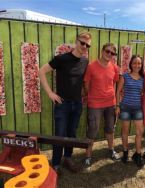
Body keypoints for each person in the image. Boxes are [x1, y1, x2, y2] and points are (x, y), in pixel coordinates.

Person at [39, 31, 92, 174]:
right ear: (76, 41)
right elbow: (41, 71)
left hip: (77, 103)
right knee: (60, 134)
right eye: (82, 43)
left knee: (72, 133)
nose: (84, 46)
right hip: (62, 104)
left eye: (87, 45)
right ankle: (55, 164)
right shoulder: (61, 59)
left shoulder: (85, 61)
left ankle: (68, 158)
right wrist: (50, 93)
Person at [83, 43, 120, 168]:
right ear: (102, 51)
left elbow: (113, 83)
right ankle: (88, 155)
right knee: (93, 129)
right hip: (95, 104)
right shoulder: (91, 66)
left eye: (112, 53)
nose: (109, 54)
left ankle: (111, 150)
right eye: (107, 51)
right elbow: (86, 85)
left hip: (110, 103)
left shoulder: (115, 68)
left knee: (110, 128)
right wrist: (93, 95)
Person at [115, 55, 144, 167]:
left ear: (141, 65)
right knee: (125, 132)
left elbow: (144, 93)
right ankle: (125, 152)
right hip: (125, 107)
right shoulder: (125, 76)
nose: (137, 65)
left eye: (139, 63)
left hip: (137, 108)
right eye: (134, 63)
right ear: (131, 64)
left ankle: (138, 154)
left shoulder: (143, 78)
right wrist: (117, 105)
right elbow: (118, 91)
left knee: (139, 132)